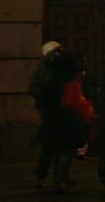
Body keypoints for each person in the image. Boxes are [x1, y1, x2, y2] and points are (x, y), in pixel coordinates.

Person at [50, 49, 98, 193]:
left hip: (61, 119)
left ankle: (61, 180)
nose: (82, 74)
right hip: (68, 121)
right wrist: (89, 114)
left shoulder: (58, 79)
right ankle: (58, 184)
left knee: (63, 152)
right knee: (67, 152)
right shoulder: (71, 83)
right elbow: (74, 103)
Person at [28, 40, 65, 187]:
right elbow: (34, 89)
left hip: (60, 110)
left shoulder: (59, 68)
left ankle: (60, 176)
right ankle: (40, 175)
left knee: (60, 145)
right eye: (57, 51)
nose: (60, 54)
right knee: (49, 146)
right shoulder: (44, 69)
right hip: (49, 111)